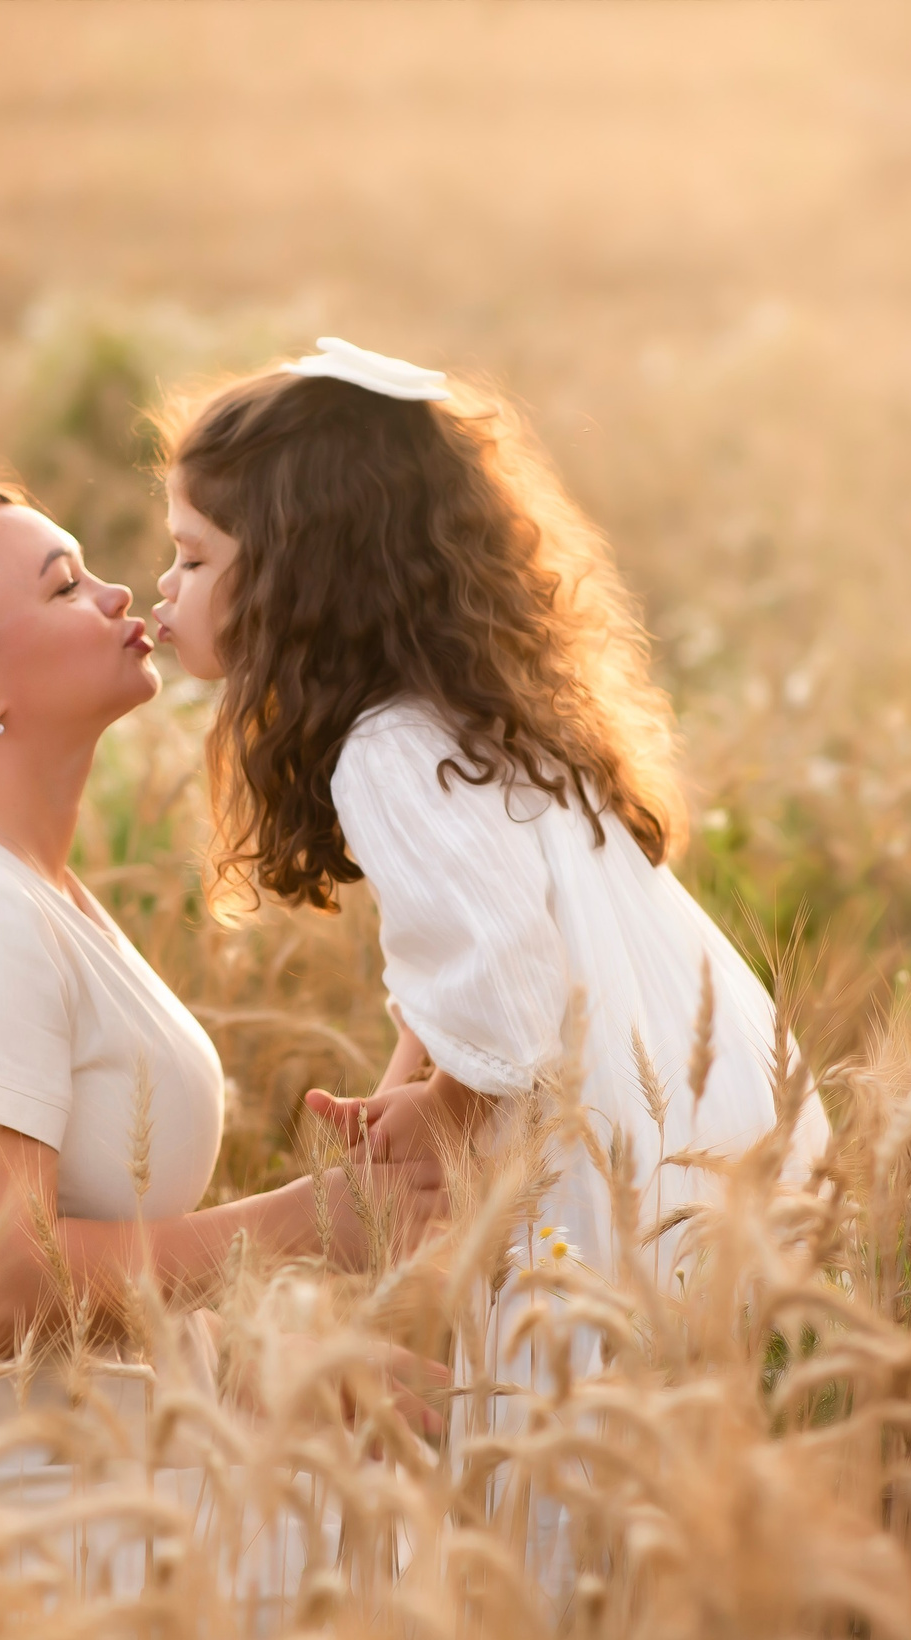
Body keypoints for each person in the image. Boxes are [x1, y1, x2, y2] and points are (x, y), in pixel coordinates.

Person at [0, 484, 443, 1564]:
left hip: (50, 1450)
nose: (119, 590)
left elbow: (95, 1248)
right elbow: (7, 1284)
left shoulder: (23, 882)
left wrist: (281, 1377)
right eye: (65, 583)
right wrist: (317, 1222)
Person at [152, 339, 827, 1294]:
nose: (164, 587)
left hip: (608, 1164)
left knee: (562, 1395)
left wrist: (451, 1112)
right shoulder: (466, 723)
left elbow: (504, 983)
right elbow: (471, 957)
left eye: (192, 555)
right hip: (691, 1114)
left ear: (297, 576)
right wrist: (408, 1096)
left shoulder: (387, 751)